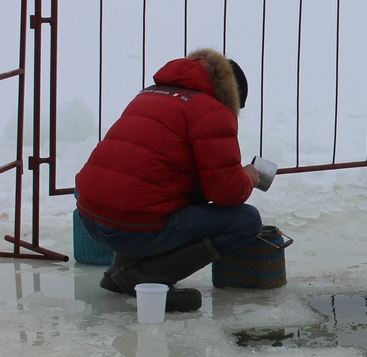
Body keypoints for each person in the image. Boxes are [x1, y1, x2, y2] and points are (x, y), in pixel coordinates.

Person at [76, 47, 263, 313]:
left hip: (91, 218)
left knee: (147, 191)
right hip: (135, 229)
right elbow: (228, 193)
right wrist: (248, 177)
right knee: (246, 220)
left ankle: (118, 270)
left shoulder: (149, 95)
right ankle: (147, 275)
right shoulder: (213, 111)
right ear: (230, 96)